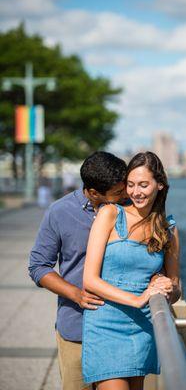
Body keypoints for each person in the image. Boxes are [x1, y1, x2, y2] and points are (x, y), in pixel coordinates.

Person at [29, 151, 128, 390]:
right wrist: (76, 294)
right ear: (93, 192)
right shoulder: (59, 212)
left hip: (122, 328)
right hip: (77, 328)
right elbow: (38, 266)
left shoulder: (131, 208)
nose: (126, 195)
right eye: (118, 193)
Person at [82, 151, 180, 390]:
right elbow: (90, 280)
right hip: (105, 324)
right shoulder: (110, 214)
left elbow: (177, 289)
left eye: (144, 185)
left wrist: (167, 288)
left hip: (143, 328)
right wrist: (137, 299)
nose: (136, 192)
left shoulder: (168, 230)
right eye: (131, 185)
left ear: (160, 185)